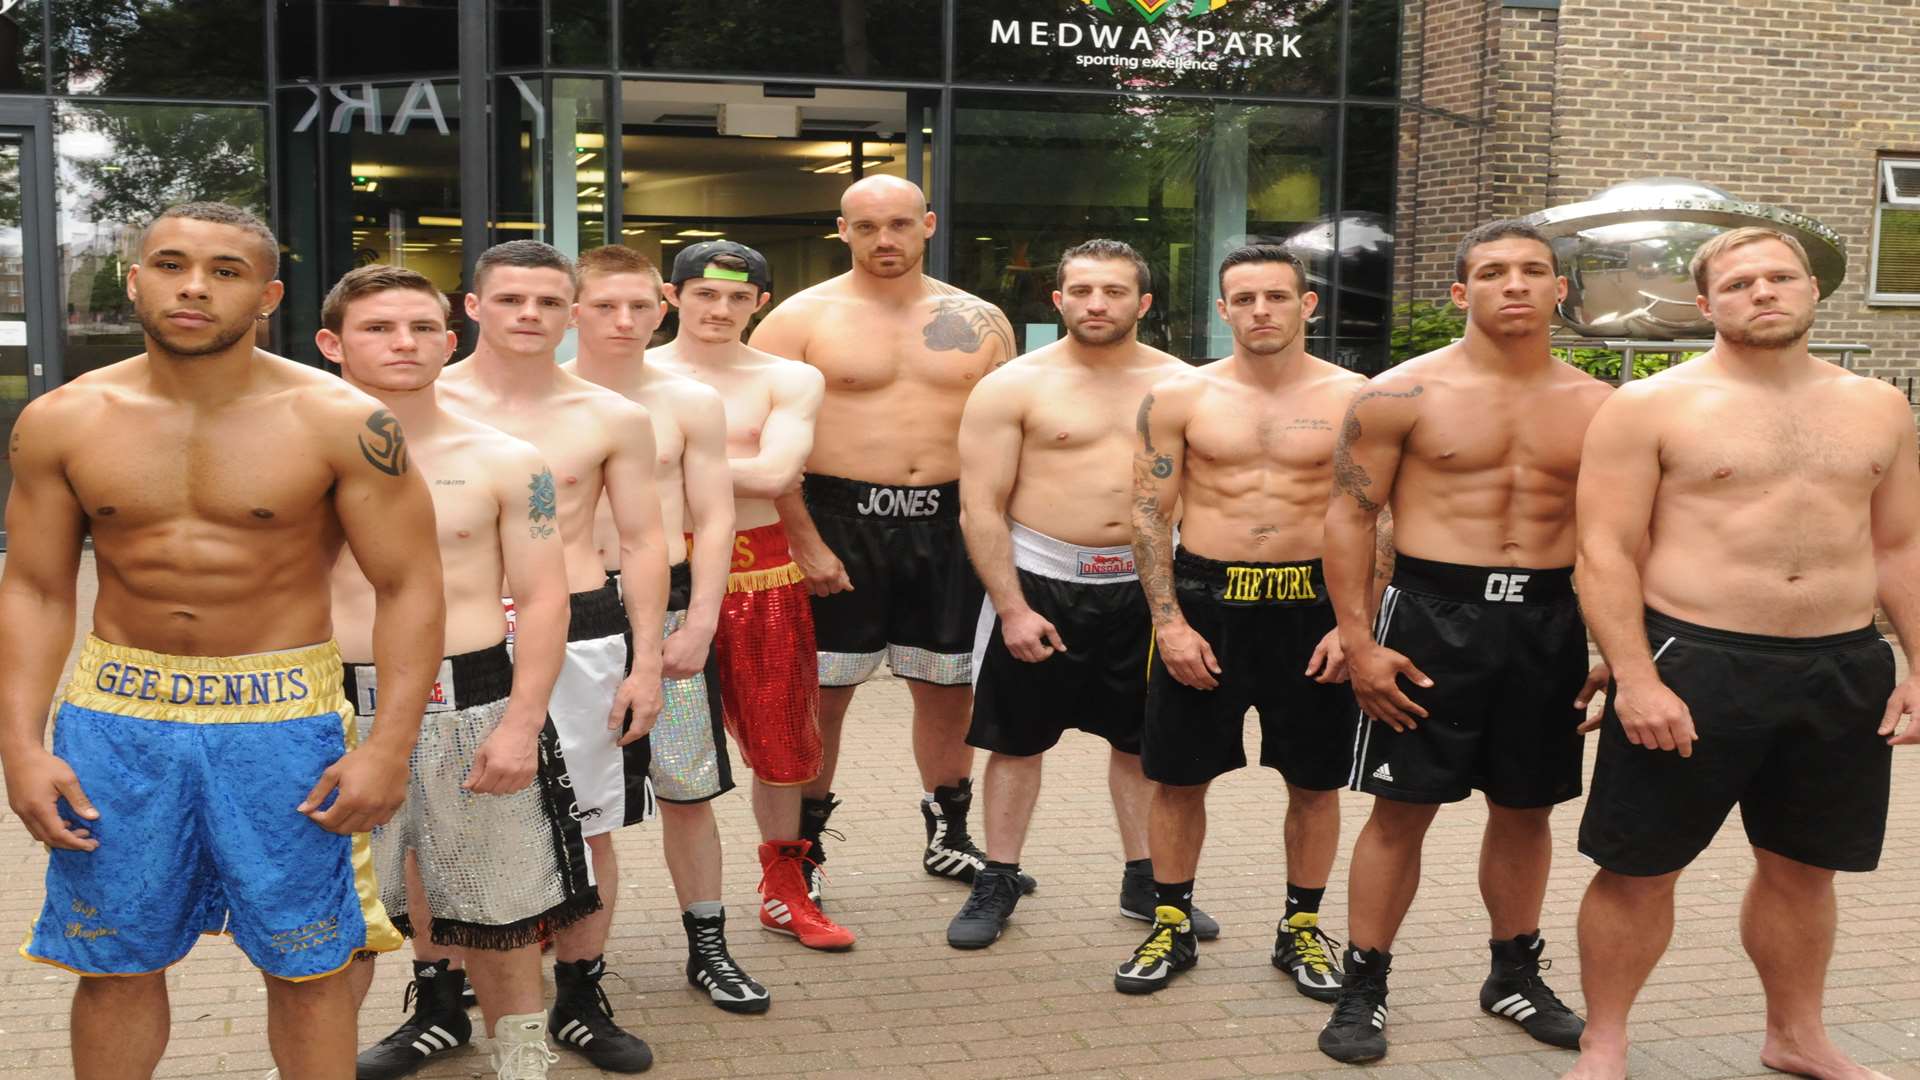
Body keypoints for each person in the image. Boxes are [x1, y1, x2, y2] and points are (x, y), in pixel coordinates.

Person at [0, 203, 444, 1079]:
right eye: (169, 264)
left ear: (268, 295)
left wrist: (391, 745)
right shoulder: (62, 419)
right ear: (134, 280)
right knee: (114, 964)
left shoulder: (343, 420)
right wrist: (19, 744)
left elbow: (410, 585)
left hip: (285, 717)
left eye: (226, 271)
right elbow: (37, 585)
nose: (193, 286)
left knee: (310, 966)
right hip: (116, 716)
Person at [1561, 227, 1920, 1080]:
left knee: (1805, 870)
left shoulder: (1880, 406)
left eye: (1779, 277)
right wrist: (1638, 677)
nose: (1762, 292)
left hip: (1842, 667)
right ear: (1705, 305)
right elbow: (1603, 552)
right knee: (1639, 868)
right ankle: (1603, 1042)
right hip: (1696, 661)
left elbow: (1901, 546)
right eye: (1739, 283)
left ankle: (1796, 1035)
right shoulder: (1650, 406)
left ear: (1812, 290)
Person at [1318, 221, 1611, 1064]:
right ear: (1460, 292)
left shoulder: (1600, 406)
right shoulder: (1397, 394)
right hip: (1431, 619)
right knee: (1399, 809)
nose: (1513, 285)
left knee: (1526, 808)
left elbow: (1618, 542)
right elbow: (1348, 516)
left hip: (1549, 623)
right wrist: (1358, 640)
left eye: (1532, 271)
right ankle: (1364, 986)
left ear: (1561, 289)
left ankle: (1513, 972)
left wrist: (1619, 651)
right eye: (1491, 272)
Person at [318, 264, 599, 1080]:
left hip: (471, 702)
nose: (402, 342)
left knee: (501, 912)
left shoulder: (509, 461)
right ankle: (318, 1063)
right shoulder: (294, 461)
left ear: (450, 340)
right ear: (332, 343)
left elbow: (547, 601)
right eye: (377, 328)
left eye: (419, 327)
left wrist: (518, 724)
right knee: (334, 916)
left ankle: (522, 1059)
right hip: (332, 713)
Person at [436, 240, 669, 1073]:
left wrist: (647, 664)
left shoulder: (610, 416)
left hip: (581, 633)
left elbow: (644, 542)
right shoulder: (420, 403)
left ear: (571, 312)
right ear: (473, 307)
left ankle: (578, 992)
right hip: (453, 633)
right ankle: (438, 999)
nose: (527, 316)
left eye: (545, 302)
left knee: (588, 824)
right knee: (438, 820)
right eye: (509, 301)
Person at [753, 175, 1017, 900]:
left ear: (928, 224)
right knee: (823, 696)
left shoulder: (982, 319)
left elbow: (1006, 437)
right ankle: (800, 851)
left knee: (946, 689)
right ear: (841, 231)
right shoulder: (798, 320)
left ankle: (949, 834)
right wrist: (801, 540)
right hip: (838, 518)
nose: (884, 240)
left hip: (947, 520)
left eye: (899, 224)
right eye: (866, 228)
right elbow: (765, 443)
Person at [1119, 244, 1366, 997]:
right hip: (1205, 602)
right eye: (1246, 299)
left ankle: (1300, 929)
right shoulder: (1178, 396)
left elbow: (1375, 514)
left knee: (1314, 782)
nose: (1262, 311)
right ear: (1222, 309)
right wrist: (1169, 625)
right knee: (1177, 777)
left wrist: (1352, 625)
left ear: (1308, 305)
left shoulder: (1356, 396)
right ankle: (1170, 923)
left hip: (1312, 609)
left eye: (1278, 297)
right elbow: (1148, 513)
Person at [948, 238, 1207, 951]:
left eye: (1115, 292)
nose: (1098, 304)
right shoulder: (1013, 385)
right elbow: (980, 507)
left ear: (1143, 303)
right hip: (1040, 582)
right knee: (1014, 743)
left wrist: (1182, 607)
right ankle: (998, 876)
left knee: (1141, 745)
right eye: (1083, 291)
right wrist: (1010, 607)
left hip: (1145, 586)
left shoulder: (1184, 385)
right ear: (1057, 299)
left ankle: (1146, 879)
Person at [562, 245, 768, 1012]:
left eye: (639, 306)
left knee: (688, 786)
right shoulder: (540, 399)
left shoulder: (688, 402)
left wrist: (702, 625)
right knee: (564, 794)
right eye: (605, 305)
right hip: (568, 611)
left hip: (672, 608)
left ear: (662, 307)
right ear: (574, 309)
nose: (624, 321)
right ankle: (560, 959)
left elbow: (715, 521)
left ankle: (708, 946)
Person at [649, 240, 852, 951]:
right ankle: (566, 901)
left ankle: (785, 887)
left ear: (762, 302)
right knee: (606, 743)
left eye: (739, 297)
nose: (722, 309)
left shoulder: (789, 378)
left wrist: (666, 464)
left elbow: (775, 475)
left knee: (784, 742)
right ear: (673, 296)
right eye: (705, 293)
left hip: (759, 573)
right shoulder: (629, 375)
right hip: (654, 579)